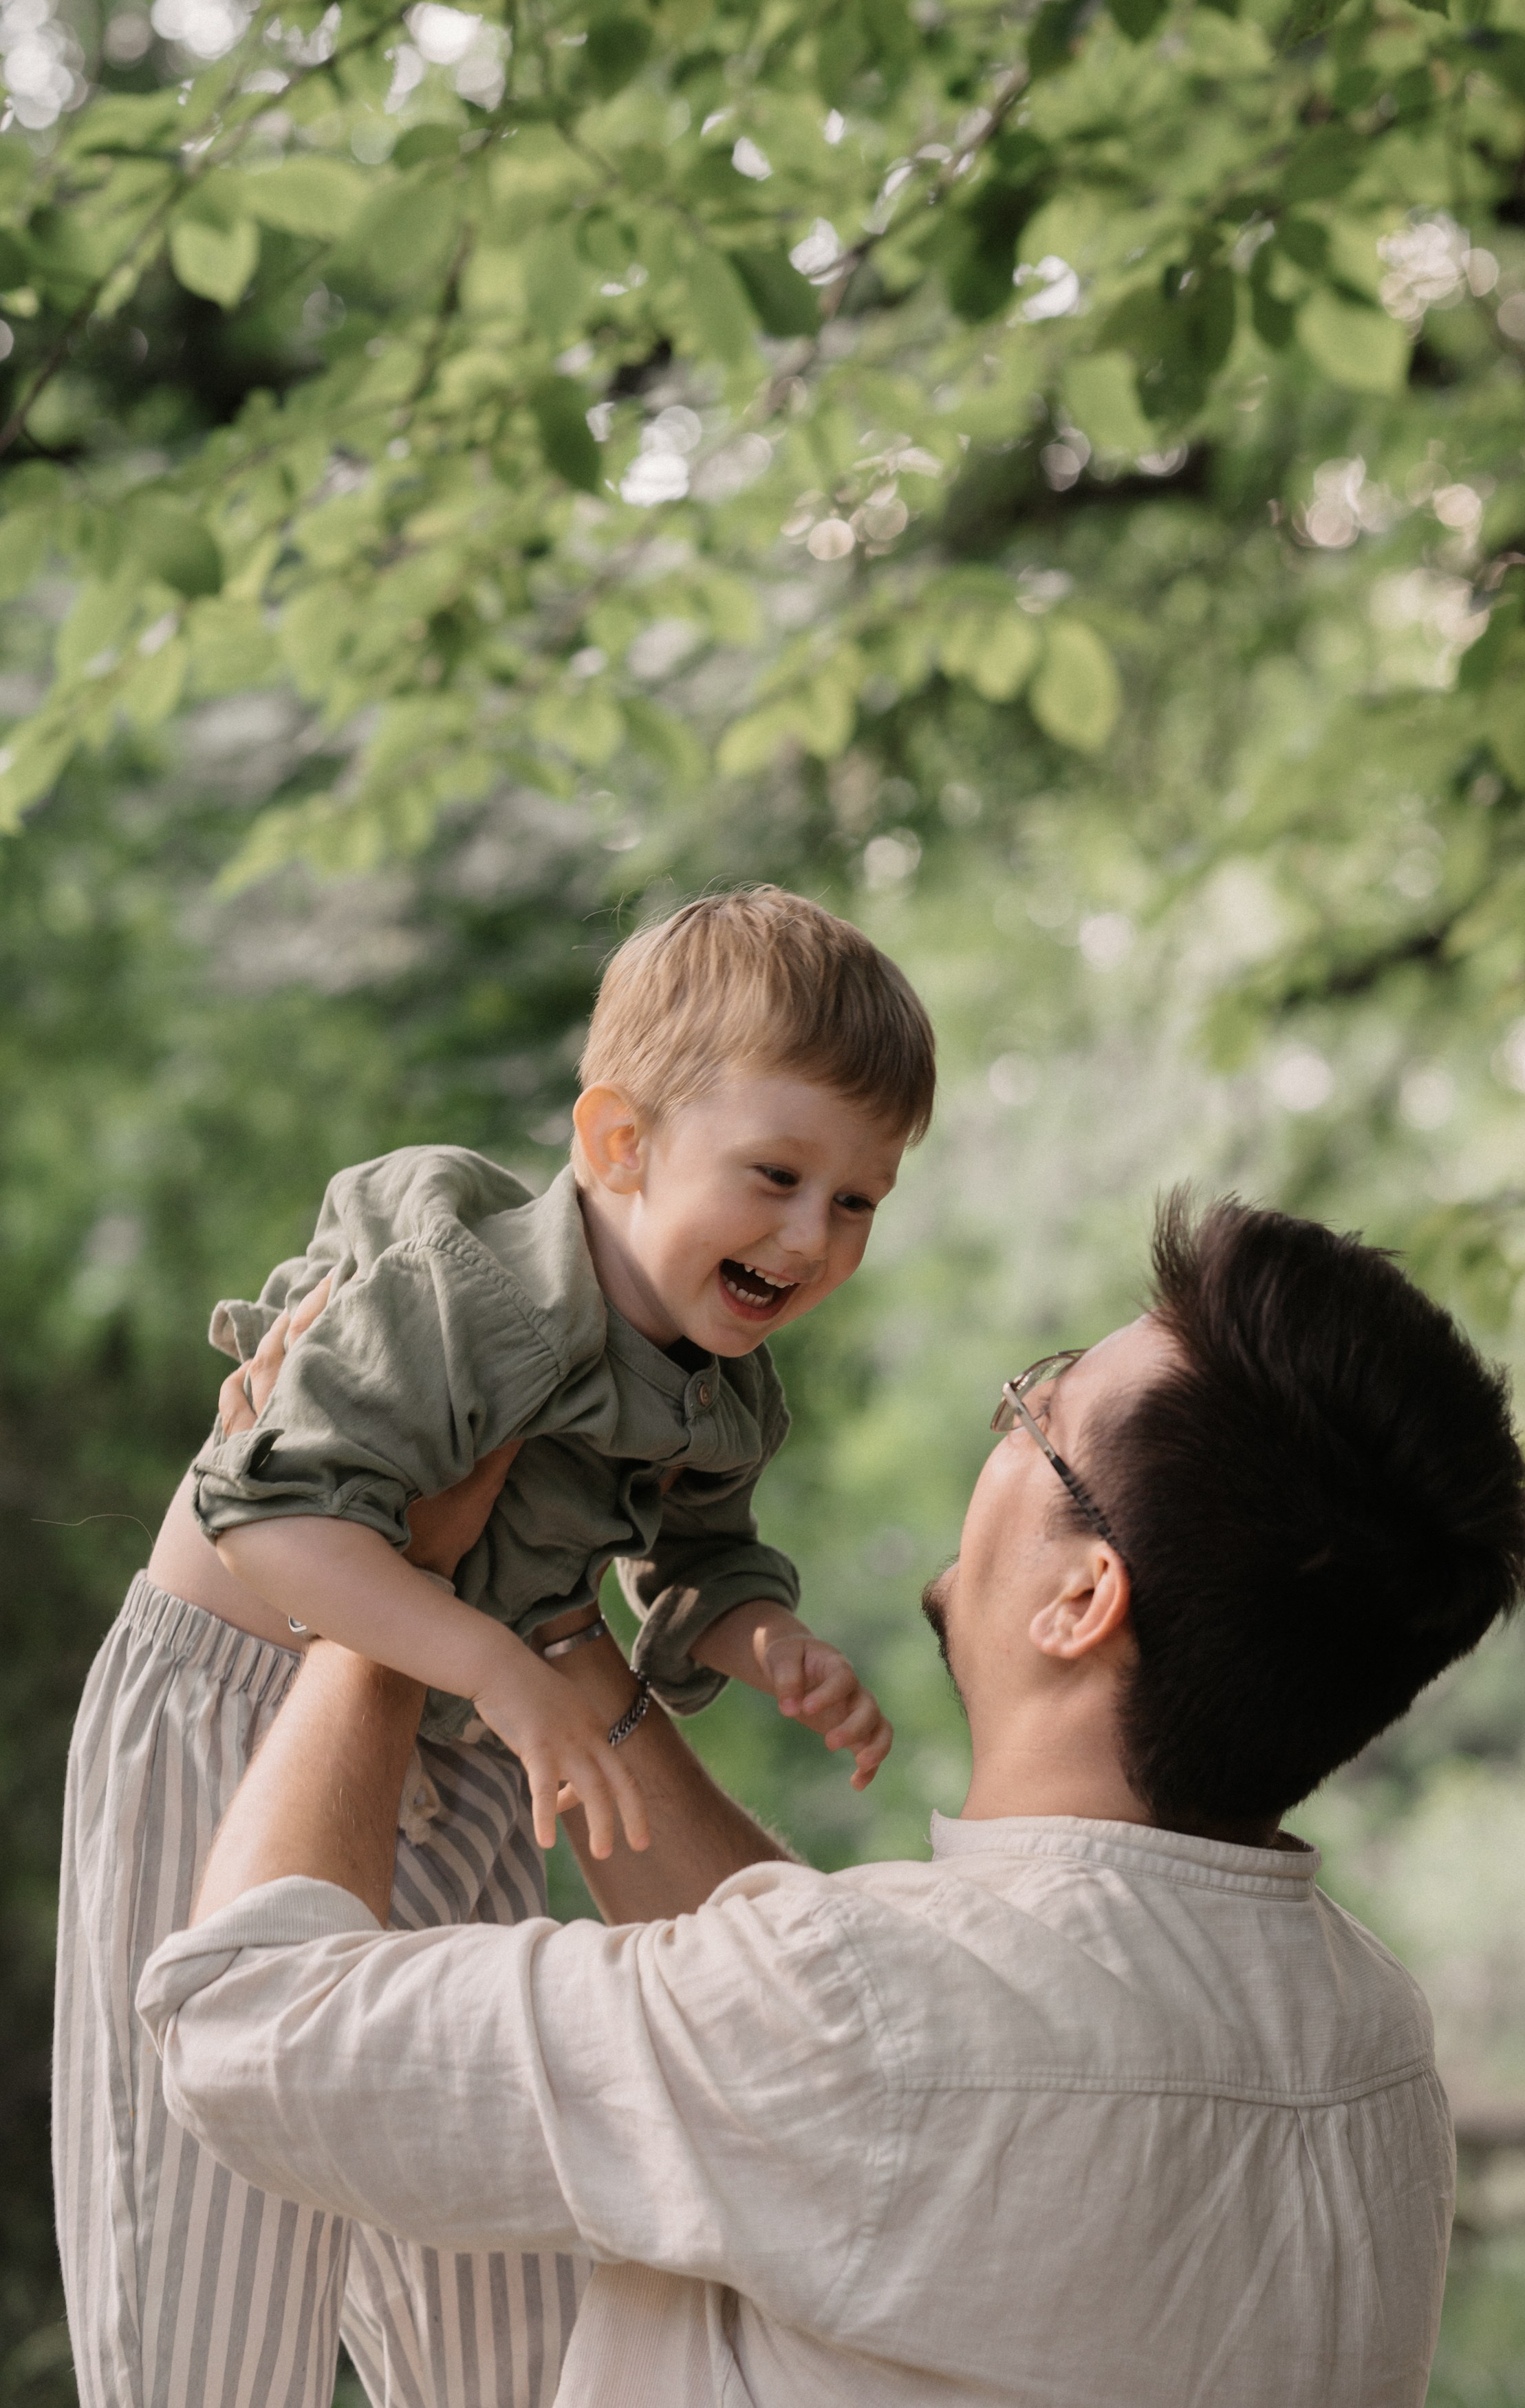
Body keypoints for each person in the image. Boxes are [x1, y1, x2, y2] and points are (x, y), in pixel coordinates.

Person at [138, 1194, 1525, 2408]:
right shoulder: (1372, 2056)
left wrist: (385, 1590)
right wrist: (556, 1623)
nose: (1002, 1425)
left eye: (1036, 1416)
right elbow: (874, 2080)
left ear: (1081, 1597)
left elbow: (241, 2025)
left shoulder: (860, 2015)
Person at [54, 885, 935, 2408]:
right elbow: (264, 1507)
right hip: (245, 1713)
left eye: (856, 1201)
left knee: (509, 2332)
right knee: (208, 2309)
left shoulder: (725, 1390)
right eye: (777, 1175)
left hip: (473, 1760)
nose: (809, 1237)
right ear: (619, 1145)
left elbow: (695, 1561)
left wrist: (763, 1633)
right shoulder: (472, 1299)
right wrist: (489, 1656)